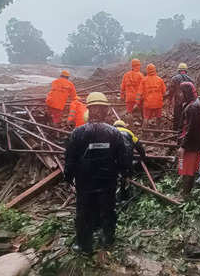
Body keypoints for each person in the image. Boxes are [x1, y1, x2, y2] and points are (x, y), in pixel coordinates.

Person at [64, 92, 127, 254]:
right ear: (106, 110)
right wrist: (124, 174)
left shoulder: (78, 133)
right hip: (107, 181)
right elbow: (124, 159)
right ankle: (107, 240)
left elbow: (70, 159)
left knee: (84, 211)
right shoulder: (115, 133)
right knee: (108, 209)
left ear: (89, 110)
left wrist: (68, 177)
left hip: (85, 182)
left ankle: (84, 245)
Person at [177, 82, 200, 197]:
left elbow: (191, 129)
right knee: (190, 168)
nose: (179, 95)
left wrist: (183, 146)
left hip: (191, 144)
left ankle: (184, 194)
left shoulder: (193, 107)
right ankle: (187, 190)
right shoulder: (195, 103)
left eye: (181, 92)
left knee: (187, 169)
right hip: (195, 142)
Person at [113, 120, 146, 201]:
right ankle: (127, 192)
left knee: (115, 175)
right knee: (127, 174)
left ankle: (115, 195)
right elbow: (138, 145)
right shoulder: (129, 132)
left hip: (115, 158)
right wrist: (143, 156)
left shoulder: (111, 131)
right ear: (124, 126)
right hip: (127, 157)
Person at [136, 63, 166, 129]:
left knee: (146, 118)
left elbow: (139, 93)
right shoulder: (160, 80)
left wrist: (137, 102)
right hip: (158, 103)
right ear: (154, 70)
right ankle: (158, 132)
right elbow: (164, 92)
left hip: (148, 104)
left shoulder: (144, 80)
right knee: (158, 117)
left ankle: (144, 132)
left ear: (147, 70)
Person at [168, 63, 195, 131]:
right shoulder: (190, 79)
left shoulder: (174, 78)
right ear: (186, 70)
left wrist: (170, 99)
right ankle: (186, 130)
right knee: (187, 116)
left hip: (178, 101)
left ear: (178, 70)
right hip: (189, 102)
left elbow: (171, 90)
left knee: (177, 116)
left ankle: (176, 131)